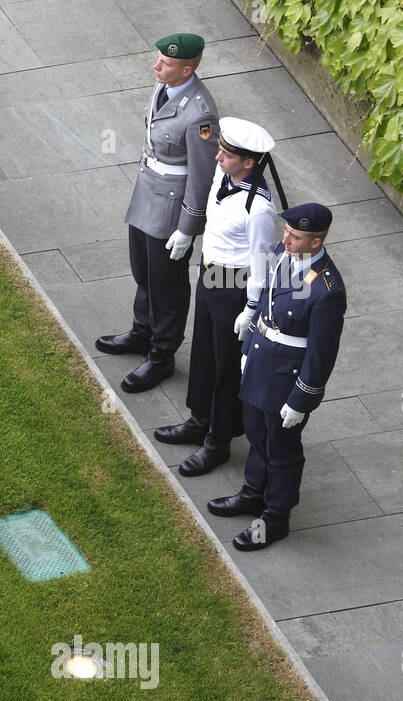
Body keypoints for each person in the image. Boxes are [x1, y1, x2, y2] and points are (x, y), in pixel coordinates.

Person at [208, 203, 346, 550]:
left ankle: (275, 517)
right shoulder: (280, 255)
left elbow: (321, 352)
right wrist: (247, 350)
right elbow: (267, 303)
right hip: (261, 362)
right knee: (256, 434)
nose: (286, 239)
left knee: (281, 449)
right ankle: (253, 493)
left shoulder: (326, 290)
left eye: (295, 236)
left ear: (316, 243)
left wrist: (302, 398)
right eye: (286, 232)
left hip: (287, 377)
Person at [155, 117, 282, 476]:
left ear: (248, 163)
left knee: (227, 365)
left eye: (226, 154)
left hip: (235, 286)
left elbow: (261, 262)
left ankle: (218, 440)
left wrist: (252, 309)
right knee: (204, 353)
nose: (217, 158)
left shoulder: (258, 210)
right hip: (211, 274)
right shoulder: (222, 179)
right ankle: (199, 418)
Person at [96, 32, 220, 393]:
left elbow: (202, 175)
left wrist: (188, 226)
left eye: (164, 63)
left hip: (169, 207)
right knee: (143, 270)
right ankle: (141, 332)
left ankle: (162, 355)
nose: (156, 66)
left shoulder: (200, 113)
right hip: (148, 191)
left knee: (167, 285)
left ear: (186, 69)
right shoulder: (167, 88)